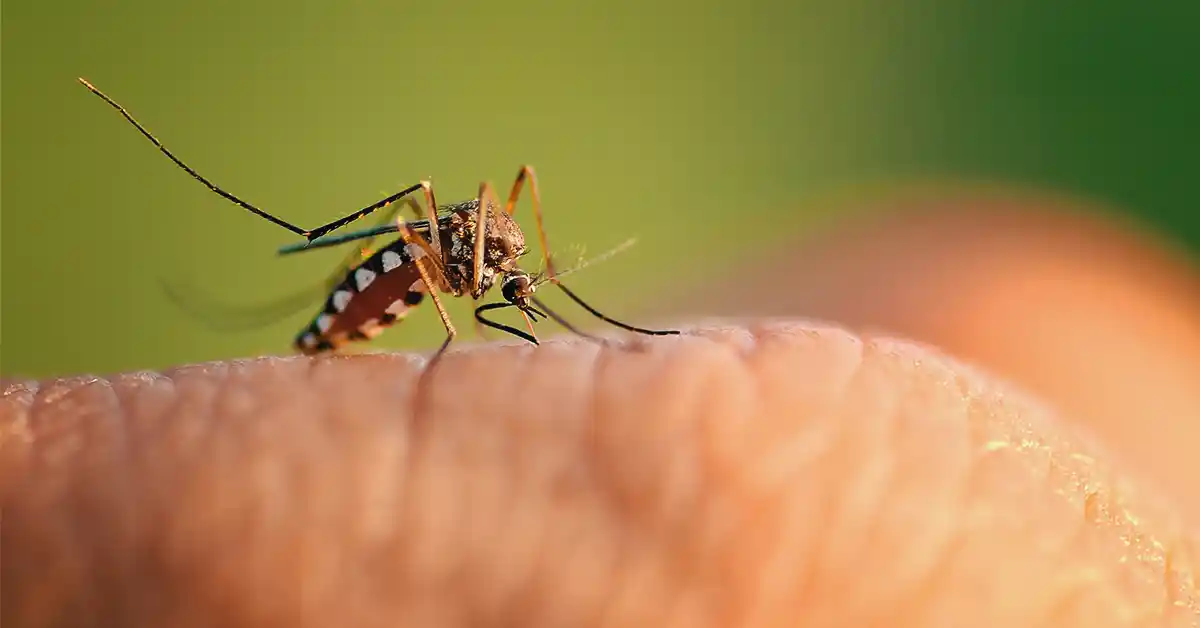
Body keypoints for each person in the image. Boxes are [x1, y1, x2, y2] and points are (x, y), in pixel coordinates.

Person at [4, 191, 1199, 626]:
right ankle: (298, 249)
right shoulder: (463, 254)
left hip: (429, 276)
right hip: (385, 272)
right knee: (429, 211)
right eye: (515, 282)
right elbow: (455, 248)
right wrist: (425, 288)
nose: (519, 289)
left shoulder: (512, 262)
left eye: (516, 285)